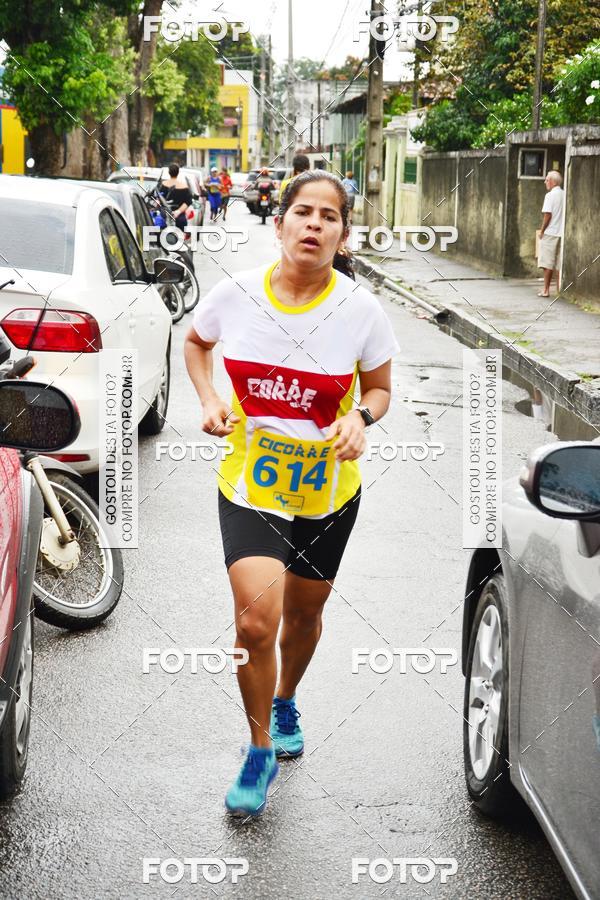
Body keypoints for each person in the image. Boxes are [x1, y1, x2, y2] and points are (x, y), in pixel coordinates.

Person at [184, 170, 400, 817]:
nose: (314, 224)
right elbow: (195, 342)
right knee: (256, 620)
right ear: (278, 224)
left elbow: (380, 390)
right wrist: (209, 398)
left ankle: (285, 701)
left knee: (304, 617)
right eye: (303, 212)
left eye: (329, 216)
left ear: (343, 234)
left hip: (327, 493)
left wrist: (359, 418)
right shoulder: (237, 295)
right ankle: (258, 752)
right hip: (251, 484)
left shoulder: (360, 310)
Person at [538, 170, 564, 297]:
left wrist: (542, 230)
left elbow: (547, 215)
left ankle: (546, 290)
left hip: (550, 232)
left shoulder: (549, 196)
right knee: (559, 263)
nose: (545, 182)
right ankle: (560, 290)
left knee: (547, 262)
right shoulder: (565, 194)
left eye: (547, 180)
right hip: (562, 233)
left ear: (553, 182)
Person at [159, 163, 192, 230]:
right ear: (178, 172)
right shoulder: (184, 186)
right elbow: (188, 201)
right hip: (180, 218)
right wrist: (178, 211)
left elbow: (158, 199)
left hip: (165, 218)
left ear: (169, 172)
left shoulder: (163, 184)